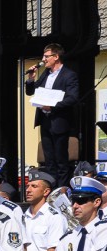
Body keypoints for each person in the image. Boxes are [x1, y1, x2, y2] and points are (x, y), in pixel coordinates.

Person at [25, 43, 79, 189]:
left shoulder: (69, 75)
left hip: (59, 122)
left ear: (56, 57)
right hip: (45, 120)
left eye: (47, 56)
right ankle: (50, 189)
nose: (44, 59)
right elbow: (31, 92)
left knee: (61, 159)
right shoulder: (45, 74)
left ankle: (61, 190)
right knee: (49, 160)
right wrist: (31, 79)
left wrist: (53, 106)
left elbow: (72, 98)